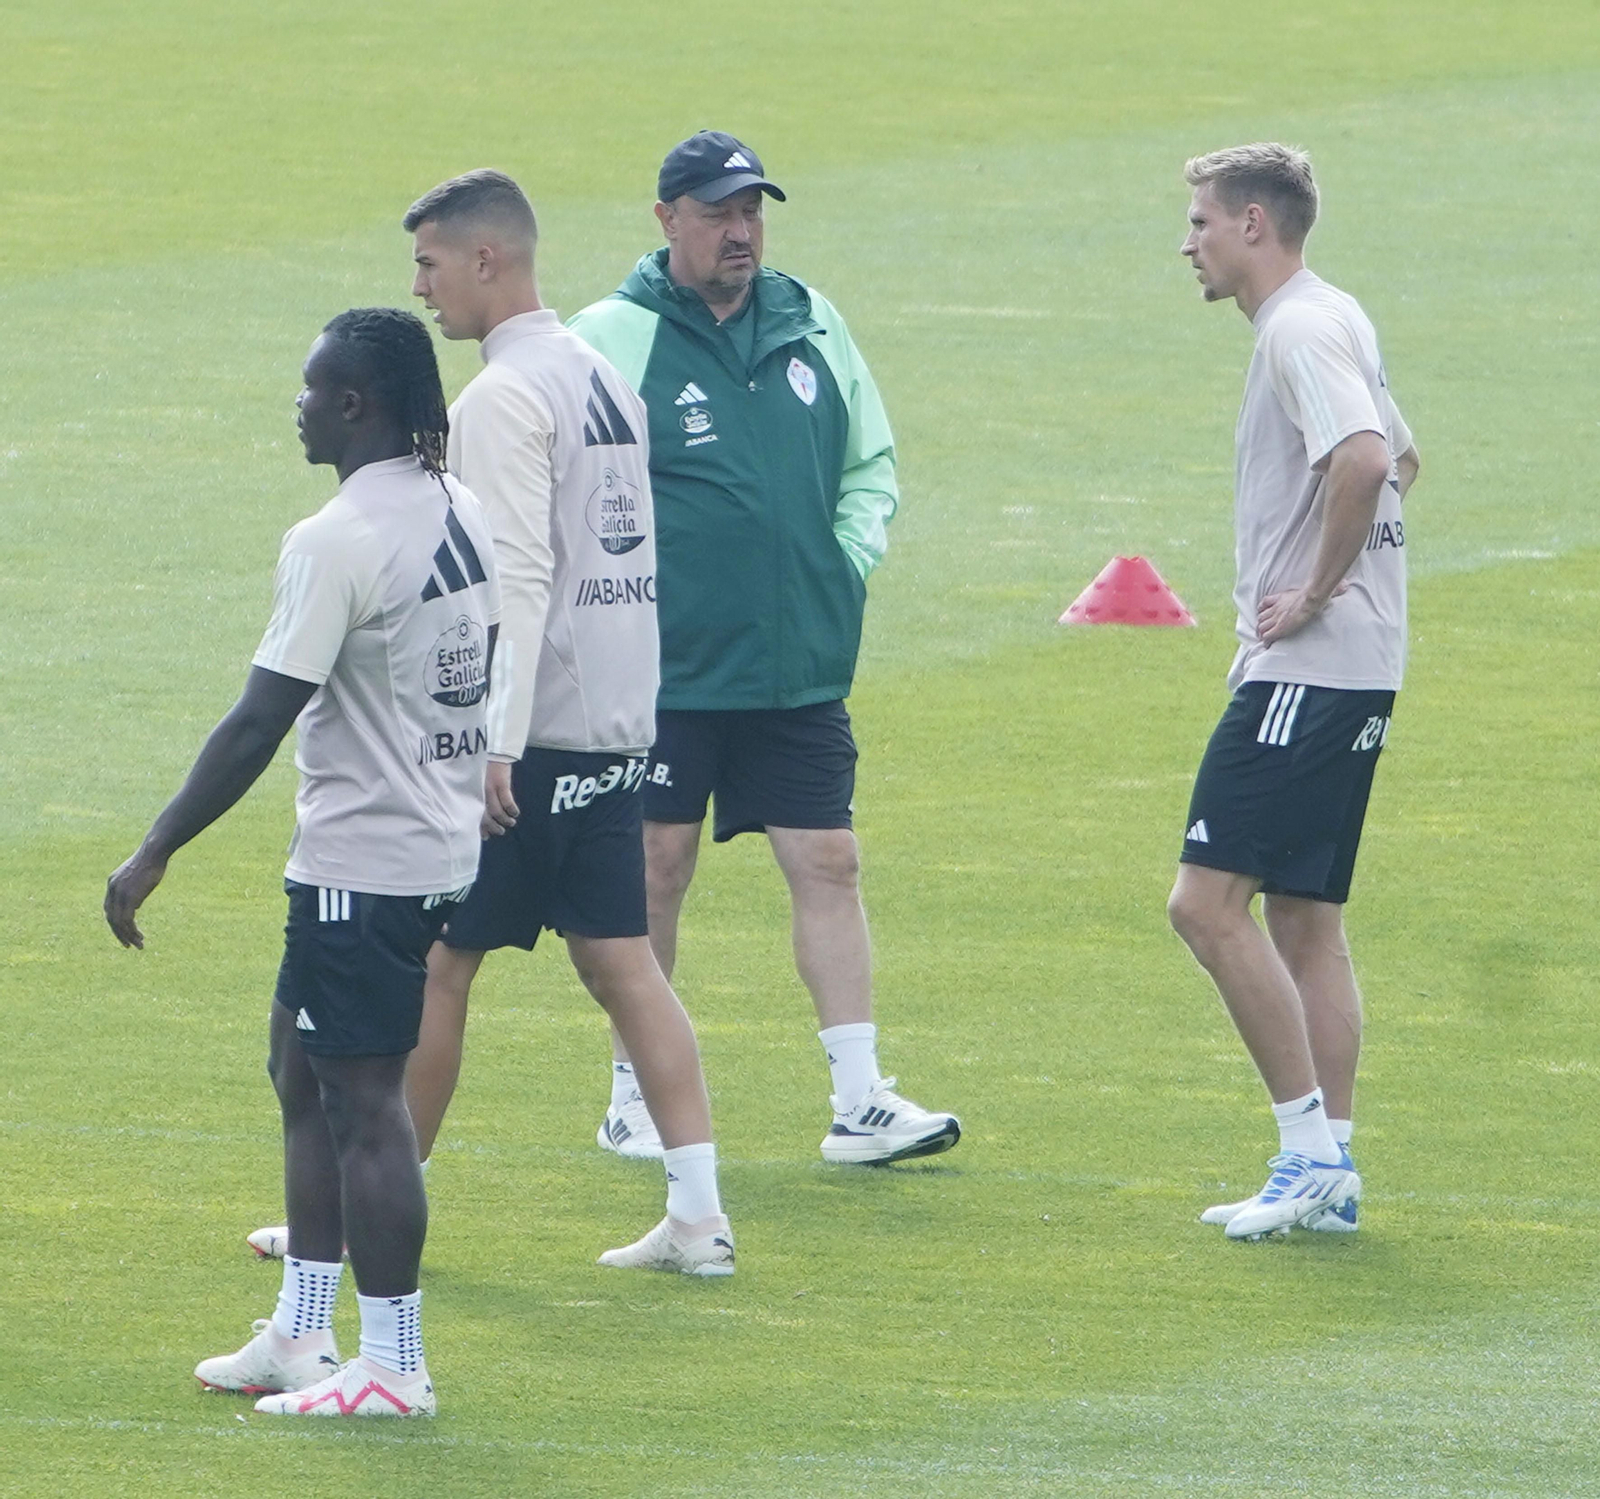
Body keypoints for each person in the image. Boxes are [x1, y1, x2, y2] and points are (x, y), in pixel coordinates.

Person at [106, 307, 500, 1416]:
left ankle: (395, 1365)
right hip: (426, 837)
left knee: (365, 1104)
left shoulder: (335, 540)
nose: (299, 402)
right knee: (299, 1068)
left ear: (356, 405)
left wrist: (154, 848)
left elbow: (255, 721)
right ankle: (300, 1328)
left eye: (313, 386)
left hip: (364, 859)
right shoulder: (453, 504)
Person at [565, 130, 959, 1166]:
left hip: (794, 660)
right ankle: (632, 1099)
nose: (740, 232)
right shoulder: (609, 336)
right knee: (655, 864)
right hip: (663, 667)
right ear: (666, 221)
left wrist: (841, 563)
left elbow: (870, 460)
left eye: (752, 211)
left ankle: (861, 1097)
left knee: (827, 858)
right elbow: (551, 481)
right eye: (717, 213)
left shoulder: (810, 318)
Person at [1167, 144, 1419, 1240]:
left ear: (1256, 222)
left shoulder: (1297, 329)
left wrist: (1310, 590)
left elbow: (1364, 460)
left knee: (1204, 903)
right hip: (1361, 666)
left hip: (1308, 668)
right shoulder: (1336, 315)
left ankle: (1305, 1149)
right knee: (1304, 917)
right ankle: (1336, 1167)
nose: (1189, 242)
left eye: (1202, 222)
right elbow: (1407, 459)